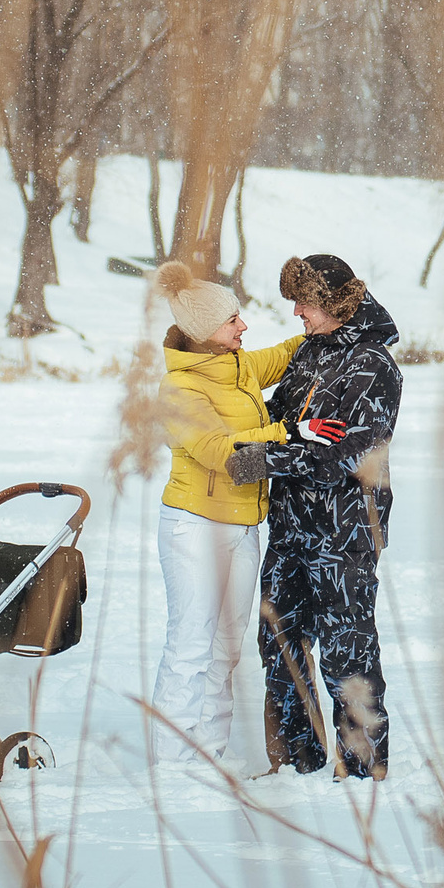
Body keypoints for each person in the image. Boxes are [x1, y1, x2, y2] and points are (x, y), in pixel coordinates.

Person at [227, 253, 400, 779]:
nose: (297, 311)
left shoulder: (372, 364)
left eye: (304, 301)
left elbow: (344, 455)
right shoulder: (309, 353)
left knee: (346, 653)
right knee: (278, 644)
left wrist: (260, 460)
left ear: (333, 301)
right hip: (289, 527)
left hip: (344, 531)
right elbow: (280, 421)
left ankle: (363, 769)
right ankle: (296, 764)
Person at [149, 259, 305, 770]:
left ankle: (209, 756)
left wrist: (327, 326)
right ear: (205, 334)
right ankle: (172, 765)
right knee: (191, 645)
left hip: (242, 528)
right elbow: (220, 451)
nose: (244, 326)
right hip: (194, 527)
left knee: (225, 649)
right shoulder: (180, 389)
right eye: (232, 320)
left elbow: (283, 355)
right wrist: (286, 433)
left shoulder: (236, 367)